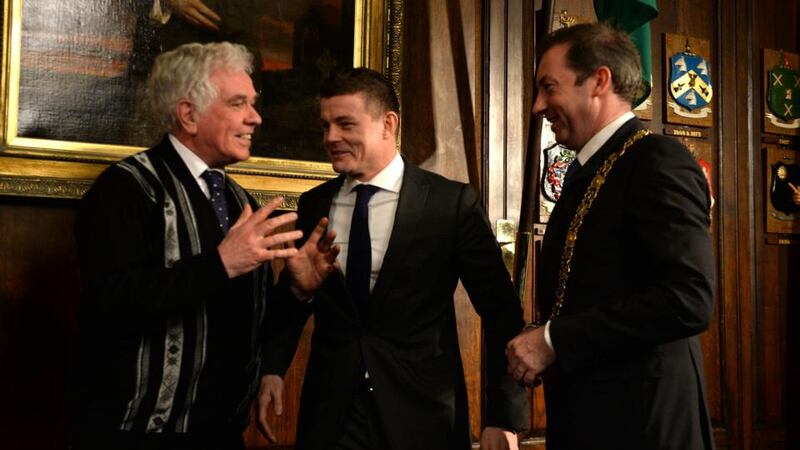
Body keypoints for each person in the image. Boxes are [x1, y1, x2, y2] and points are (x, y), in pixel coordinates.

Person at [70, 41, 331, 450]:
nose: (256, 118)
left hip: (222, 434)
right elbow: (109, 302)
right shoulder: (126, 188)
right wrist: (220, 263)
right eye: (238, 103)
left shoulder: (241, 200)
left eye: (253, 103)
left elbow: (246, 318)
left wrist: (299, 290)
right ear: (188, 114)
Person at [256, 68, 528, 450]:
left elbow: (502, 314)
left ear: (388, 124)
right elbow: (294, 298)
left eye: (345, 124)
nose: (330, 138)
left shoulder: (450, 204)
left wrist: (504, 415)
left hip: (423, 416)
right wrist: (273, 365)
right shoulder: (314, 204)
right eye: (325, 126)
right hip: (332, 416)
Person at [505, 23, 715, 450]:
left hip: (644, 421)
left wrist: (554, 340)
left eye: (549, 87)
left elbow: (689, 299)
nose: (538, 105)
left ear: (599, 81)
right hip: (595, 415)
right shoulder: (593, 167)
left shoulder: (657, 160)